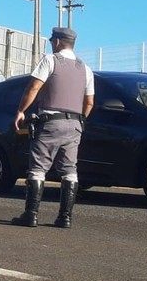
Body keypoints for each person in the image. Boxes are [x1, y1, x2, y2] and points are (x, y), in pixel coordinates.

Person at [11, 27, 94, 228]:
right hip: (74, 124)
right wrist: (80, 120)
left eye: (51, 40)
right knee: (69, 170)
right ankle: (65, 217)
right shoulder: (86, 69)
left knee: (38, 167)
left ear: (57, 42)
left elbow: (34, 87)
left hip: (50, 121)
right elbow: (89, 102)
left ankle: (31, 215)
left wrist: (21, 110)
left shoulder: (50, 60)